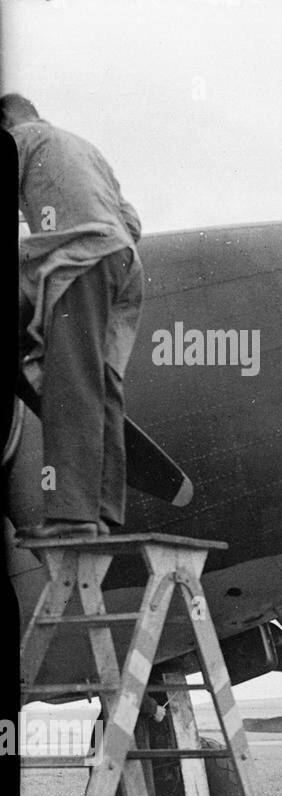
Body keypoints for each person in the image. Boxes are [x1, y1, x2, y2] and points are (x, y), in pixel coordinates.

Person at [6, 93, 143, 538]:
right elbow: (131, 220)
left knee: (70, 384)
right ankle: (101, 514)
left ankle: (71, 517)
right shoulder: (84, 148)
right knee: (103, 388)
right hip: (123, 264)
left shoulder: (20, 140)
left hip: (79, 260)